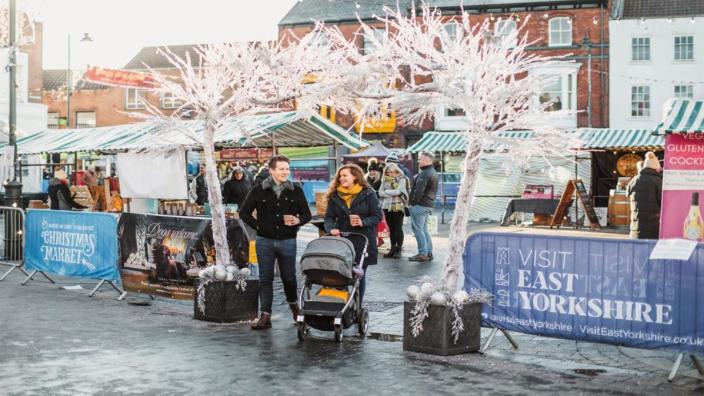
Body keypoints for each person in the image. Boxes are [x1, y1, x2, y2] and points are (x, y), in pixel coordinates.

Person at [239, 155, 311, 330]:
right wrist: (259, 226)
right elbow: (244, 213)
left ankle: (295, 309)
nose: (285, 172)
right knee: (265, 278)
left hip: (288, 241)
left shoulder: (296, 190)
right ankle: (265, 315)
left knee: (289, 278)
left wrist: (297, 221)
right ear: (271, 170)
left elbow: (307, 214)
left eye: (287, 168)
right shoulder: (258, 190)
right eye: (281, 169)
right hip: (264, 241)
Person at [324, 164, 383, 304]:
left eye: (345, 175)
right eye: (340, 176)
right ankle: (341, 305)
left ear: (355, 176)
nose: (341, 178)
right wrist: (331, 228)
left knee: (358, 275)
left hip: (363, 241)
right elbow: (329, 217)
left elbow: (377, 216)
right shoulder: (335, 195)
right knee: (340, 274)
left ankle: (357, 307)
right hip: (342, 241)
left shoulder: (369, 193)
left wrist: (362, 222)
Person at [408, 151, 438, 262]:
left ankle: (422, 253)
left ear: (426, 160)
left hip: (420, 205)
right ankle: (428, 252)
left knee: (418, 230)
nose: (418, 161)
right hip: (428, 205)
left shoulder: (425, 173)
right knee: (423, 229)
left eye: (420, 159)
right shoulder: (433, 172)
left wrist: (412, 203)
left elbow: (418, 191)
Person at [626, 152, 662, 239]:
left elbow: (627, 195)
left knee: (637, 250)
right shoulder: (657, 180)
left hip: (635, 226)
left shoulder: (633, 180)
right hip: (652, 226)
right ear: (656, 168)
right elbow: (662, 201)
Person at [378, 162, 410, 259]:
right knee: (391, 228)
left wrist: (386, 192)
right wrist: (390, 193)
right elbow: (380, 192)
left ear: (396, 171)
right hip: (386, 206)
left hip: (398, 206)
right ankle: (392, 249)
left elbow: (399, 191)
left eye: (391, 172)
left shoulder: (402, 179)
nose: (389, 174)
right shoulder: (384, 180)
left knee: (398, 227)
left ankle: (398, 249)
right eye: (387, 172)